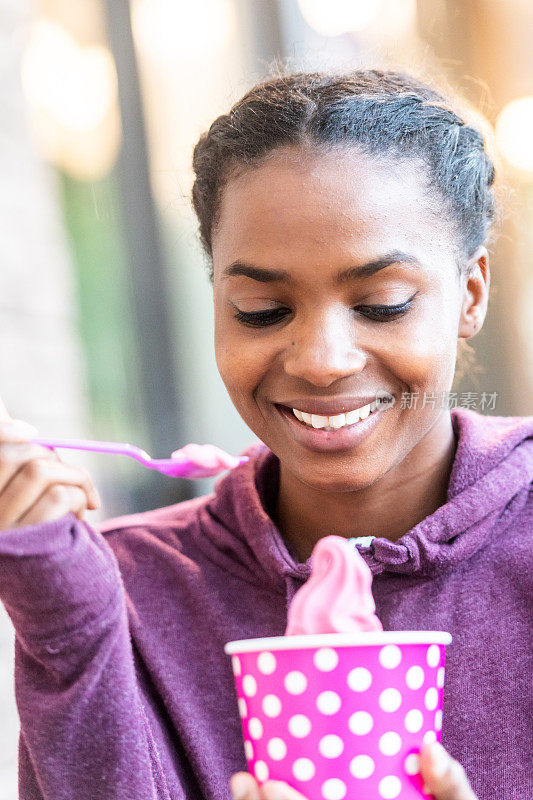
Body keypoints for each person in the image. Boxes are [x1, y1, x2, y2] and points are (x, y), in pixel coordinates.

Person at [0, 68, 531, 800]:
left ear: (469, 295)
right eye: (259, 309)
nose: (320, 361)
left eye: (381, 304)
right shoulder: (128, 588)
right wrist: (65, 614)